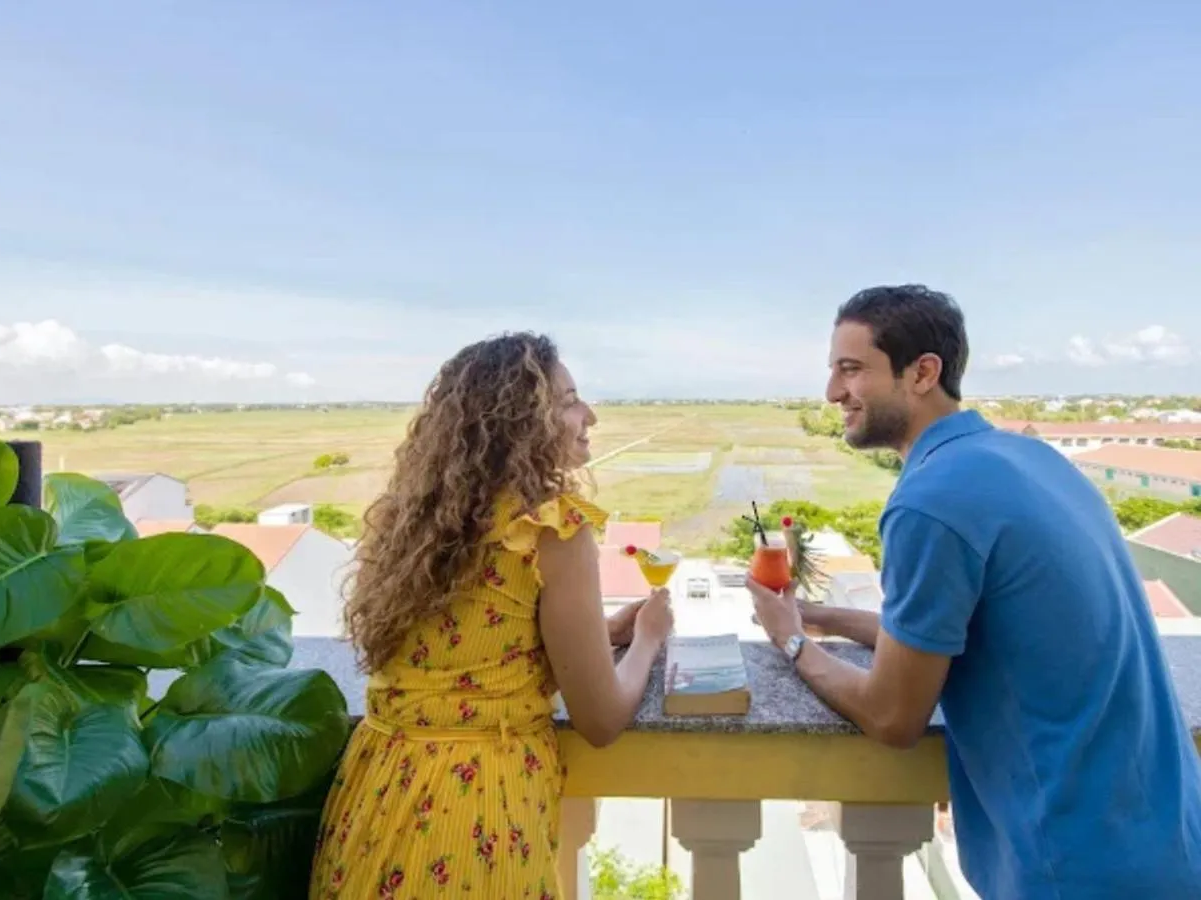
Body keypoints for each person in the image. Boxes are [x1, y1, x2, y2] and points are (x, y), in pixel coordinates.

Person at [748, 285, 1201, 899]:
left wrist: (791, 639)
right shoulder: (1031, 460)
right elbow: (953, 639)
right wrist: (818, 615)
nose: (832, 392)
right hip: (1167, 839)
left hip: (1074, 867)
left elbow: (893, 714)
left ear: (922, 372)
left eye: (851, 369)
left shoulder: (930, 502)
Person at [309, 332, 674, 900]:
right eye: (571, 400)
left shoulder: (410, 523)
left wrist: (598, 634)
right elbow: (600, 721)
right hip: (478, 811)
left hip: (378, 791)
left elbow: (477, 646)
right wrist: (648, 638)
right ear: (523, 421)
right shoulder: (552, 531)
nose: (590, 416)